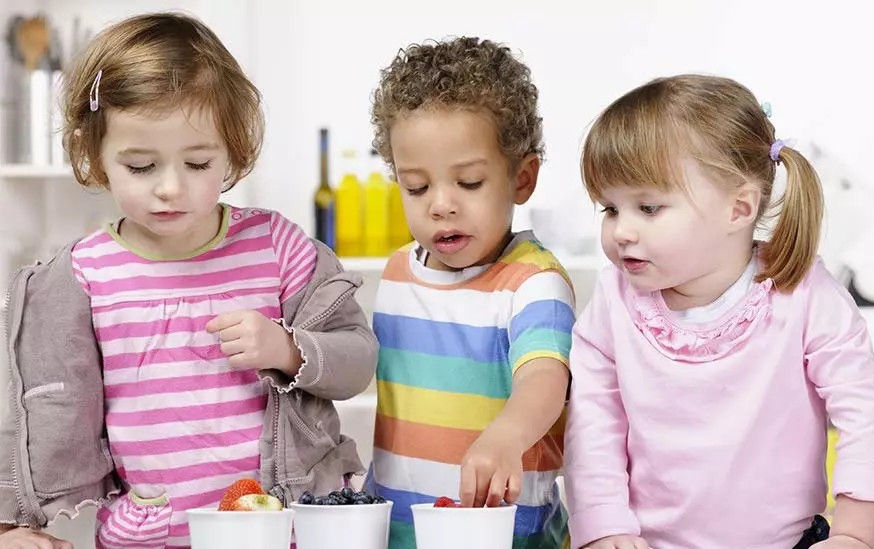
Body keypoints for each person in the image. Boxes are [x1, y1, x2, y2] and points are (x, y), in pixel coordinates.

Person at [0, 12, 377, 548]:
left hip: (279, 528)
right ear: (95, 156)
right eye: (141, 166)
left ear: (232, 149)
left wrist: (290, 349)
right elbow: (36, 410)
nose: (170, 188)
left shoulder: (278, 248)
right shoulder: (82, 275)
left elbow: (358, 360)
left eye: (198, 163)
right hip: (150, 534)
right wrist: (12, 525)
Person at [564, 74, 874, 549]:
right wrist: (604, 527)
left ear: (739, 209)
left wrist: (857, 529)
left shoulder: (804, 293)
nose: (621, 230)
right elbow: (593, 418)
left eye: (648, 207)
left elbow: (864, 408)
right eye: (610, 209)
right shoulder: (613, 297)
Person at [363, 36, 575, 548]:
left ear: (522, 179)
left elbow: (545, 377)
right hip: (399, 531)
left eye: (470, 183)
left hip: (506, 534)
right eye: (416, 187)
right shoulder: (395, 273)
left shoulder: (532, 281)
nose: (441, 205)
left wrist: (506, 436)